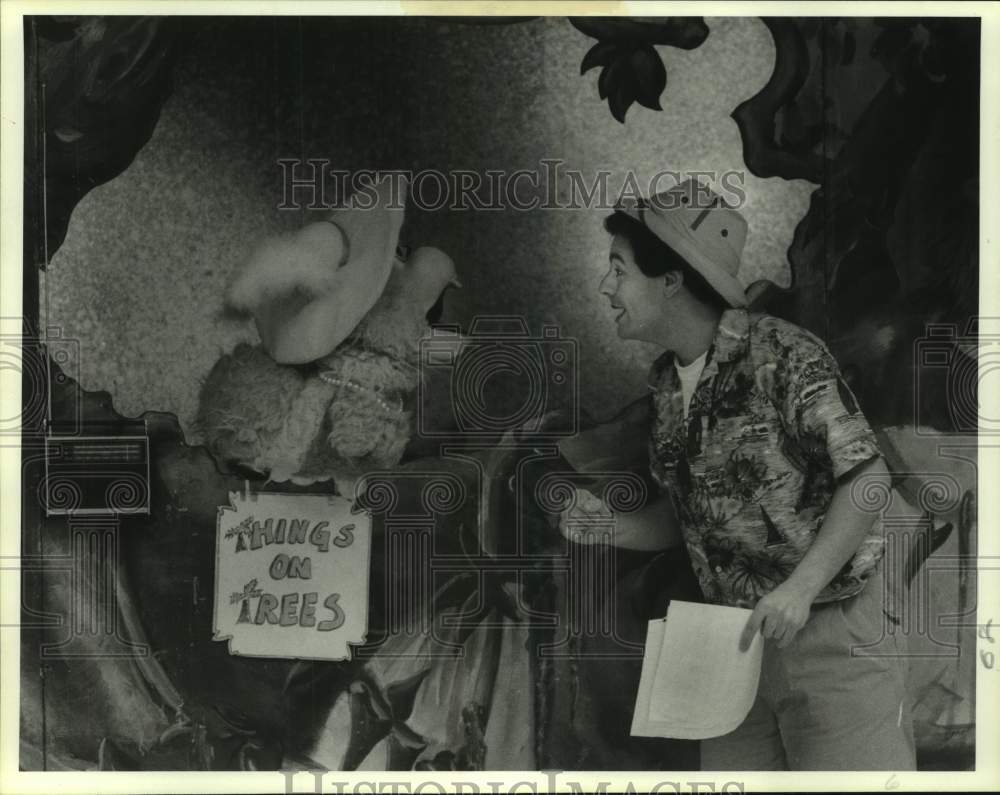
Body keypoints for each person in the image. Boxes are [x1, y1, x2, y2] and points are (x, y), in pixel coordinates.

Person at [562, 178, 915, 771]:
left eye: (619, 269)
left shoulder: (781, 353)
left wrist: (799, 590)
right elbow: (695, 521)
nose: (606, 286)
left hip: (831, 631)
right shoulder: (666, 385)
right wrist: (611, 528)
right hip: (731, 651)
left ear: (671, 280)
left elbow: (869, 477)